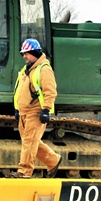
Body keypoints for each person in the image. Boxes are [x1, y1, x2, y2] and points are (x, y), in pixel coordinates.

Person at [11, 38, 61, 178]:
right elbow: (18, 91)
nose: (24, 56)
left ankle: (24, 172)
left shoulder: (44, 70)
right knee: (32, 143)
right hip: (23, 113)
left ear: (35, 52)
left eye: (26, 53)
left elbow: (50, 91)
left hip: (35, 112)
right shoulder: (26, 70)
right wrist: (17, 109)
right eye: (23, 54)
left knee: (29, 142)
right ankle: (54, 160)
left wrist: (46, 110)